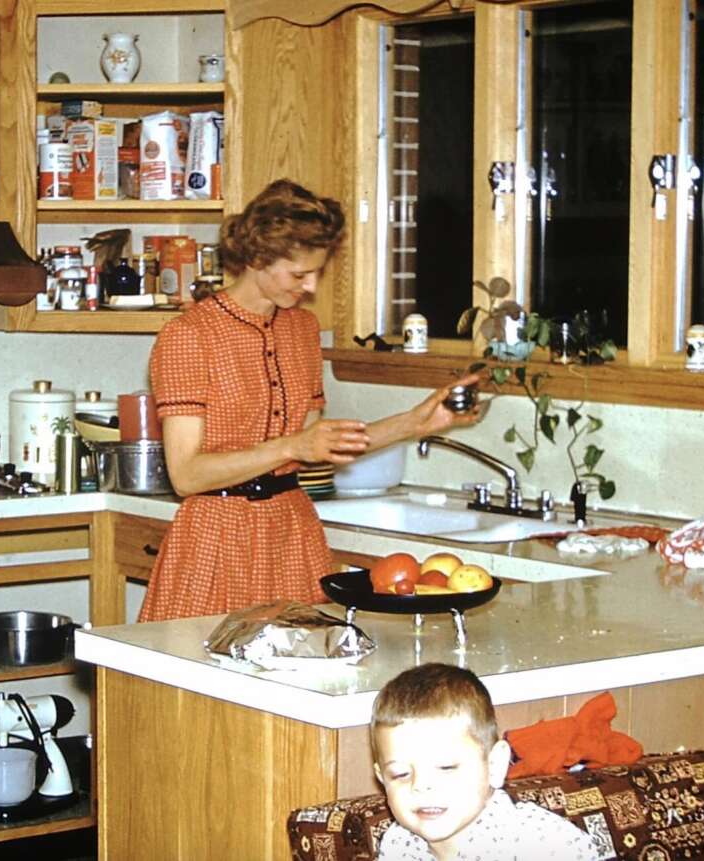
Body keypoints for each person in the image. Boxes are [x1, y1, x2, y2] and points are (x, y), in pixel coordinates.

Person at [138, 178, 482, 622]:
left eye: (317, 272)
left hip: (292, 535)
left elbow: (317, 449)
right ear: (258, 258)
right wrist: (291, 446)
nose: (311, 286)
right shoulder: (189, 337)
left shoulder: (301, 331)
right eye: (299, 274)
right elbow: (186, 475)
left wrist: (417, 421)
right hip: (215, 539)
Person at [371, 663, 598, 861]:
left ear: (495, 765)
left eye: (446, 767)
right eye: (400, 774)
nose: (421, 786)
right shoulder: (398, 844)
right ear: (382, 780)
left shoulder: (547, 845)